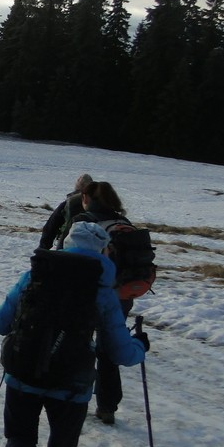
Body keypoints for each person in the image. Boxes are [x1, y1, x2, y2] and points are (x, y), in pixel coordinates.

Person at [0, 221, 148, 447]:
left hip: (24, 374)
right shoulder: (102, 290)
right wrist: (140, 346)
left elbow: (2, 323)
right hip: (71, 383)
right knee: (62, 446)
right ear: (103, 251)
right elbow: (120, 352)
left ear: (66, 243)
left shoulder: (36, 274)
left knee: (20, 435)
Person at [70, 181, 135, 425]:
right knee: (108, 349)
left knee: (78, 344)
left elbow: (64, 255)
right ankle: (107, 407)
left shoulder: (83, 221)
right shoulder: (124, 222)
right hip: (121, 294)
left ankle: (75, 397)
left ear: (86, 197)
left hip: (88, 294)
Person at [40, 173, 92, 249]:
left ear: (77, 186)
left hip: (67, 243)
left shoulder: (68, 203)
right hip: (92, 245)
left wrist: (43, 248)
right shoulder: (97, 204)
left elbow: (51, 226)